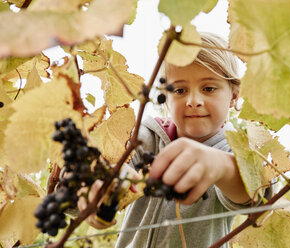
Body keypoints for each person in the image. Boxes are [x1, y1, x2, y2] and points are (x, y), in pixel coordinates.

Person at [87, 32, 271, 247]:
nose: (193, 101)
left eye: (209, 88)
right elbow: (99, 163)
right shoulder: (143, 138)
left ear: (234, 96)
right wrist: (95, 186)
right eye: (180, 90)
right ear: (166, 98)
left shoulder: (237, 151)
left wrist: (221, 167)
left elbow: (256, 196)